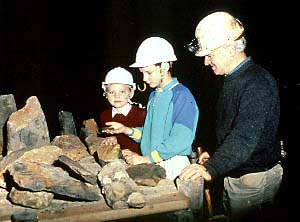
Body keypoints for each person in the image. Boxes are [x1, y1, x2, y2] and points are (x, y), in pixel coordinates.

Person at [180, 11, 283, 221]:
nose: (206, 62)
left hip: (253, 179)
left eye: (210, 55)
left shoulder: (256, 83)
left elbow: (244, 137)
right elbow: (231, 127)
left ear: (231, 48)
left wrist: (212, 167)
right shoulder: (234, 79)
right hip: (236, 173)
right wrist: (215, 153)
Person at [103, 37, 199, 180]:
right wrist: (126, 130)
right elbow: (149, 134)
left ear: (164, 66)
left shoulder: (181, 96)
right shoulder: (154, 96)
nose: (144, 78)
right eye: (142, 73)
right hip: (154, 163)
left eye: (148, 72)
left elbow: (181, 140)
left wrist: (145, 159)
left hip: (173, 165)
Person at [100, 67, 146, 155]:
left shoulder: (141, 114)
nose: (117, 96)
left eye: (122, 92)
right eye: (112, 92)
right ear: (105, 94)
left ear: (131, 93)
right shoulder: (105, 115)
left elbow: (145, 139)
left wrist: (118, 139)